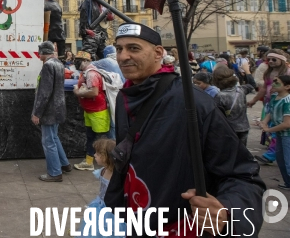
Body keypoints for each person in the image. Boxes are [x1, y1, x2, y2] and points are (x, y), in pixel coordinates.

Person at [105, 23, 265, 236]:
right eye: (119, 49)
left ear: (158, 53)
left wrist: (226, 212)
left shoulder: (193, 104)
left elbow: (242, 174)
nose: (123, 56)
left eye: (133, 48)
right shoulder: (127, 97)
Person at [31, 41, 71, 182]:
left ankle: (54, 173)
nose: (38, 54)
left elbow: (44, 93)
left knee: (48, 141)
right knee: (54, 137)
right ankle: (64, 164)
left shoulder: (48, 66)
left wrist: (37, 113)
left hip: (49, 110)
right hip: (59, 107)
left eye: (39, 52)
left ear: (43, 52)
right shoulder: (59, 64)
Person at [247, 49, 290, 164]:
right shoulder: (268, 73)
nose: (270, 61)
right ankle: (275, 153)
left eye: (274, 59)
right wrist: (253, 100)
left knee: (280, 129)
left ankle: (271, 155)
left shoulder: (288, 72)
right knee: (273, 130)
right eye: (268, 59)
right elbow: (264, 89)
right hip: (270, 104)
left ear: (282, 60)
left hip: (284, 105)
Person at [79, 138, 125, 237]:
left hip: (111, 208)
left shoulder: (116, 175)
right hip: (99, 204)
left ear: (106, 157)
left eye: (98, 154)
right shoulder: (103, 170)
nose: (94, 155)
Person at [73, 51, 109, 171]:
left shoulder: (92, 74)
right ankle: (89, 162)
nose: (76, 63)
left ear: (86, 61)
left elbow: (94, 92)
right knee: (91, 136)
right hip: (90, 110)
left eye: (78, 61)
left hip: (97, 111)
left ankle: (107, 163)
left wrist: (78, 92)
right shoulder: (85, 73)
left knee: (101, 138)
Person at [258, 74, 290, 190]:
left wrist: (268, 129)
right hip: (280, 133)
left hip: (287, 134)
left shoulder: (288, 100)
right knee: (280, 159)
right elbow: (271, 112)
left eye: (277, 82)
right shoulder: (275, 96)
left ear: (287, 86)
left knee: (288, 162)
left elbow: (287, 123)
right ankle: (288, 183)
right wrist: (264, 122)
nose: (273, 84)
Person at [212, 67, 254, 146]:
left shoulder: (220, 96)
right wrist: (248, 72)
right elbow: (252, 85)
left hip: (228, 129)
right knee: (242, 151)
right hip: (244, 127)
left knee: (230, 152)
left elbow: (217, 116)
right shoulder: (242, 89)